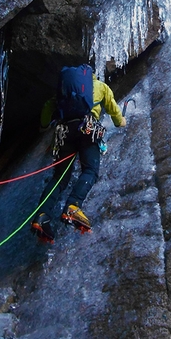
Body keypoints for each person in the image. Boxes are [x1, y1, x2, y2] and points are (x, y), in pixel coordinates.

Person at [31, 65, 126, 243]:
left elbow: (47, 107)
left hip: (64, 131)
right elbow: (115, 114)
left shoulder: (64, 90)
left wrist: (44, 126)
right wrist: (121, 121)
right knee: (90, 170)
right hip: (87, 129)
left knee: (59, 178)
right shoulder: (101, 87)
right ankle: (73, 207)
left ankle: (42, 216)